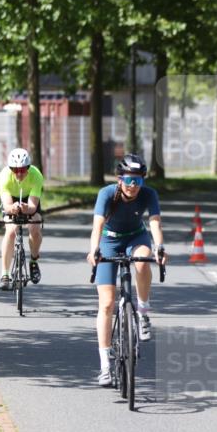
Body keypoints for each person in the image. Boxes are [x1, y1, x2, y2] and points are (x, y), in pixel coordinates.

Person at [87, 154, 167, 386]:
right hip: (108, 241)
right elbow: (97, 226)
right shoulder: (106, 194)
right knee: (106, 303)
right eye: (129, 180)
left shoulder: (149, 194)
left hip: (135, 237)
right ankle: (104, 366)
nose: (133, 186)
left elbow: (154, 223)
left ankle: (142, 311)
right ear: (119, 179)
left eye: (138, 181)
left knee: (143, 260)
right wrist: (94, 251)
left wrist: (159, 247)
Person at [0, 147, 45, 290]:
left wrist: (26, 209)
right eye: (15, 170)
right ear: (10, 168)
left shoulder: (36, 176)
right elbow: (6, 205)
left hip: (29, 199)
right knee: (11, 230)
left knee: (35, 227)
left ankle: (34, 260)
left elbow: (32, 207)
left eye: (22, 170)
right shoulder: (3, 177)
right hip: (10, 199)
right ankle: (5, 274)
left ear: (28, 168)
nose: (19, 173)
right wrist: (13, 208)